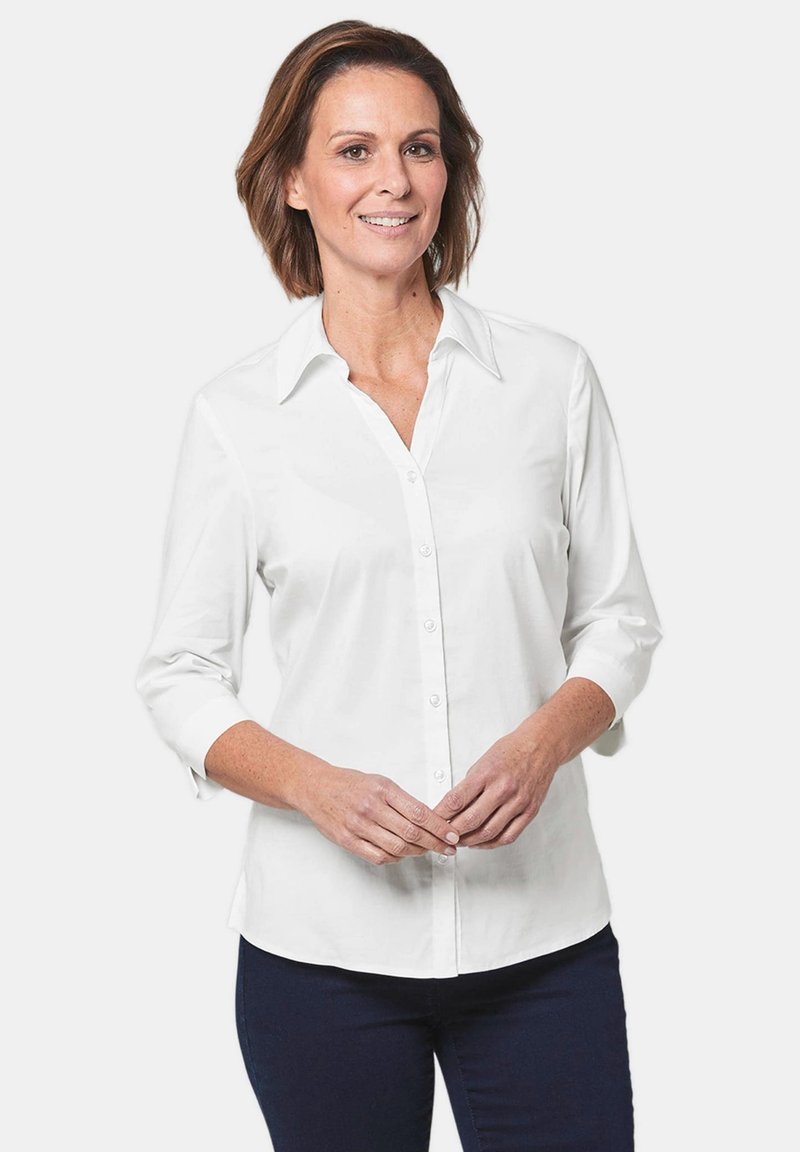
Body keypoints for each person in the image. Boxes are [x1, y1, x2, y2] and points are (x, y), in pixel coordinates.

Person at [135, 19, 663, 1152]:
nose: (395, 180)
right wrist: (311, 786)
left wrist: (544, 742)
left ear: (450, 171)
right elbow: (179, 672)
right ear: (292, 181)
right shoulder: (238, 418)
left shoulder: (551, 381)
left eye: (420, 148)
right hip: (321, 957)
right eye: (355, 150)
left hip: (543, 941)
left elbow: (618, 620)